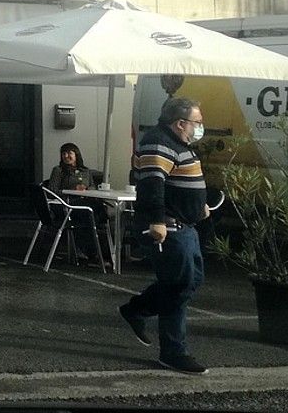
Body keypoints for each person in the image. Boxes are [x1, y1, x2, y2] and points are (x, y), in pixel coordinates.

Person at [119, 97, 214, 375]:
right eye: (197, 122)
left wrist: (198, 205)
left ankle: (137, 309)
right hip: (169, 228)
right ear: (180, 123)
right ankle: (173, 351)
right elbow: (151, 186)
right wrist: (157, 221)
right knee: (178, 285)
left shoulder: (177, 143)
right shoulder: (158, 142)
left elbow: (178, 180)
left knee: (190, 281)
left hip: (185, 225)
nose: (200, 127)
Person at [45, 143, 106, 264]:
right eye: (64, 153)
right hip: (66, 204)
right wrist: (71, 190)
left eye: (69, 153)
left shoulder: (86, 171)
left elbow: (92, 186)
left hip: (84, 202)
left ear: (76, 155)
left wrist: (87, 190)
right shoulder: (59, 171)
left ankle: (93, 251)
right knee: (88, 216)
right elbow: (52, 190)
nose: (66, 156)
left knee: (96, 211)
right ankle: (93, 253)